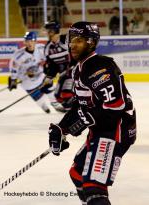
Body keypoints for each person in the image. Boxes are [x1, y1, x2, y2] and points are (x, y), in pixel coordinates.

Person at [48, 21, 137, 205]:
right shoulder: (80, 68)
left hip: (116, 130)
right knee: (77, 173)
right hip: (102, 129)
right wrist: (62, 128)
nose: (72, 44)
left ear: (91, 42)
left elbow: (115, 105)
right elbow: (81, 105)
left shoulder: (99, 67)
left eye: (79, 40)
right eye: (71, 40)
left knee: (93, 187)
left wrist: (86, 119)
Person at [8, 31, 55, 114]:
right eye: (27, 41)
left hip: (40, 75)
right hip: (26, 81)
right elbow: (14, 68)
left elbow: (49, 58)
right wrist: (13, 79)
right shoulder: (19, 55)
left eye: (32, 41)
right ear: (24, 42)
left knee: (50, 88)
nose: (29, 43)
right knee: (39, 99)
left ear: (35, 41)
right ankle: (43, 106)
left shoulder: (41, 48)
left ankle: (55, 103)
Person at [44, 21, 75, 111]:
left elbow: (78, 52)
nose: (48, 33)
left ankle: (75, 111)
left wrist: (74, 64)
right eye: (47, 31)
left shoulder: (67, 40)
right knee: (58, 97)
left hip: (75, 71)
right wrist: (49, 76)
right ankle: (70, 110)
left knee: (66, 94)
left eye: (49, 31)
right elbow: (52, 65)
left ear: (55, 31)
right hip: (64, 74)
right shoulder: (48, 48)